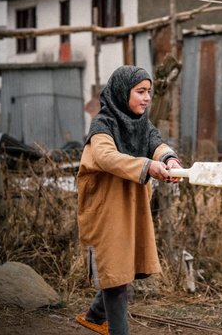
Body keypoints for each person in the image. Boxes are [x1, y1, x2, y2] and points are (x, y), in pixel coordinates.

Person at [76, 65, 182, 335]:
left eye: (149, 92)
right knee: (116, 275)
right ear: (123, 93)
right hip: (106, 209)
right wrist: (148, 166)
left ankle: (94, 317)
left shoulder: (142, 124)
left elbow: (156, 143)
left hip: (130, 207)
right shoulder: (102, 124)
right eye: (140, 91)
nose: (147, 98)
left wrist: (168, 160)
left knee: (124, 266)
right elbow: (105, 157)